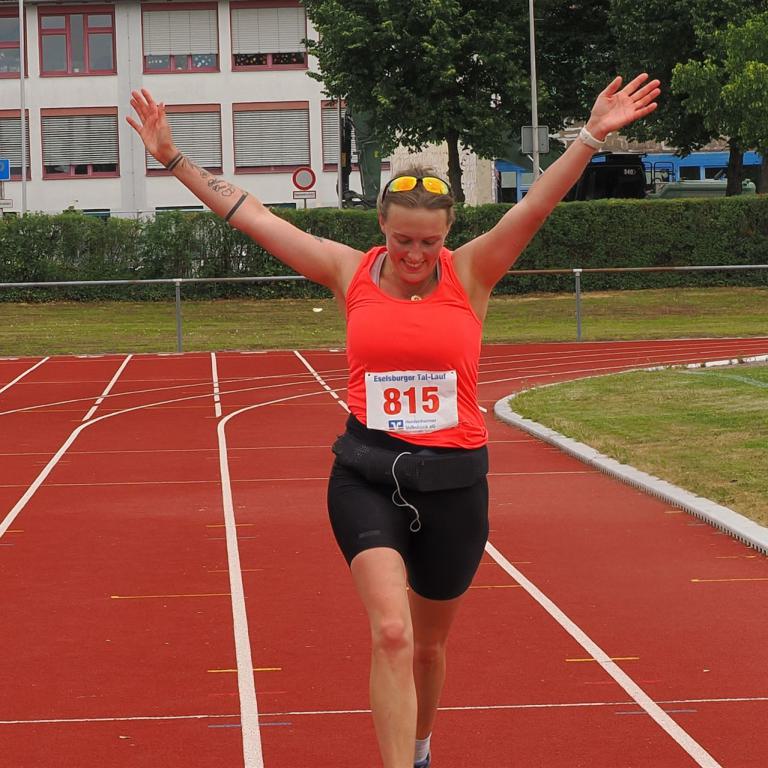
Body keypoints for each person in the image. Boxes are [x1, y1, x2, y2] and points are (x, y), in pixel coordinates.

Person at [128, 73, 660, 768]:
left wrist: (589, 137)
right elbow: (253, 215)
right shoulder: (347, 272)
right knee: (392, 632)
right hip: (367, 475)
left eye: (428, 243)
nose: (414, 256)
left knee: (430, 646)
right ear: (381, 225)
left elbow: (535, 205)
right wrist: (173, 158)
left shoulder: (473, 274)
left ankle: (420, 747)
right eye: (403, 239)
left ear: (447, 235)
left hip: (455, 483)